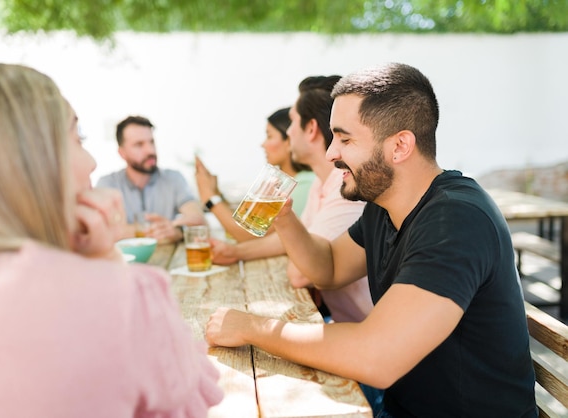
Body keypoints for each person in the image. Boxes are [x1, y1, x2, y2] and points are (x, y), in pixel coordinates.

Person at [205, 63, 537, 417]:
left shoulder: (455, 219)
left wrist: (253, 328)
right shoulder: (383, 205)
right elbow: (329, 268)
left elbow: (378, 356)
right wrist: (285, 219)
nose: (332, 153)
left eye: (345, 139)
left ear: (400, 146)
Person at [0, 58, 223, 417]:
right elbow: (190, 400)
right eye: (78, 139)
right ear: (28, 161)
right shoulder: (124, 297)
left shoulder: (172, 180)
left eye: (151, 142)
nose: (89, 160)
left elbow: (193, 214)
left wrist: (173, 225)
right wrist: (106, 261)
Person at [209, 76, 373, 324]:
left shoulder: (346, 187)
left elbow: (299, 274)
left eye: (293, 121)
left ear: (310, 129)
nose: (288, 131)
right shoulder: (322, 181)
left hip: (365, 333)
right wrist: (235, 252)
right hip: (344, 323)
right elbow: (297, 239)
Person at [195, 107, 315, 242]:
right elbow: (248, 218)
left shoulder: (305, 184)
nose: (262, 144)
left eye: (269, 136)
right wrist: (216, 194)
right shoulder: (277, 183)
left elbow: (248, 234)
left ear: (289, 140)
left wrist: (209, 198)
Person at [97, 115, 206, 243]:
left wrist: (177, 231)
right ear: (122, 153)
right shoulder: (108, 184)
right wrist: (159, 228)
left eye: (151, 142)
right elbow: (103, 231)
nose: (150, 150)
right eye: (139, 145)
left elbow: (199, 220)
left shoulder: (174, 179)